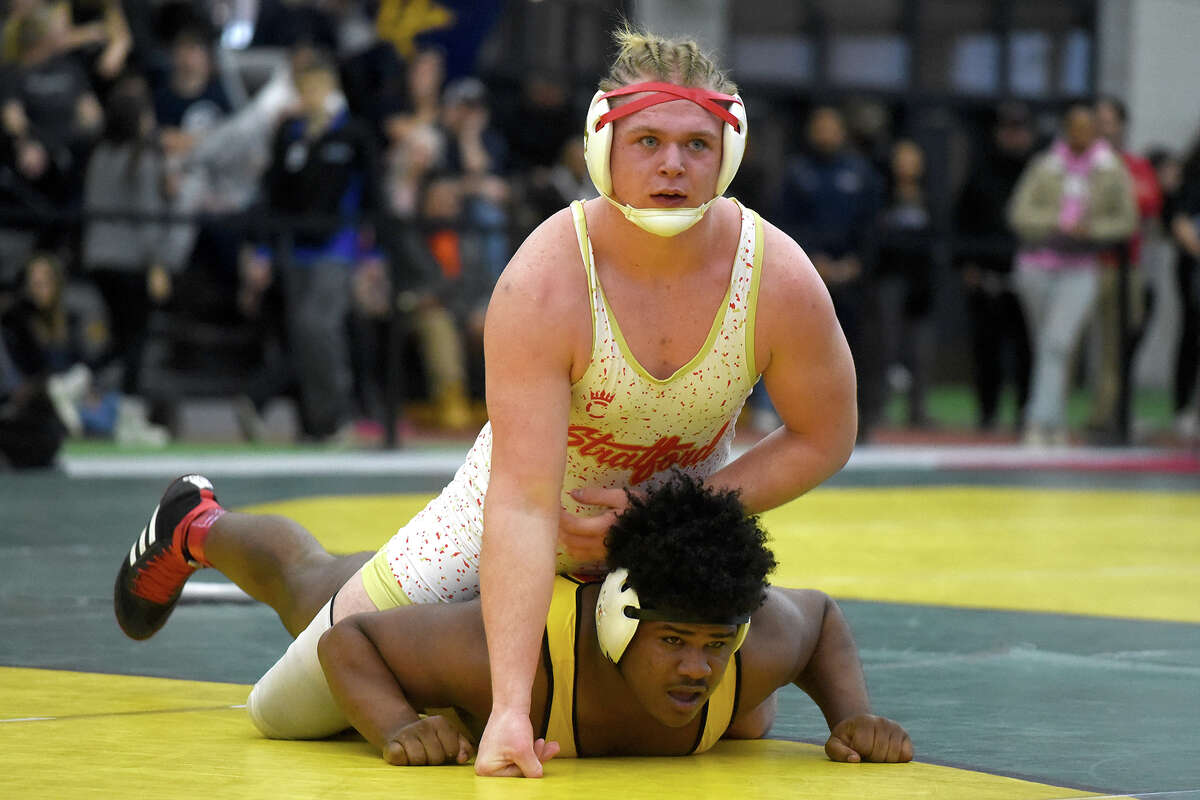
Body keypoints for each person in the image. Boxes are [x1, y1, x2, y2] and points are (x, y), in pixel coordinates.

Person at [113, 27, 857, 779]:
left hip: (663, 526)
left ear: (728, 155)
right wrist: (506, 709)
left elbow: (825, 435)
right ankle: (198, 527)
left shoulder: (775, 278)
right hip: (509, 508)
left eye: (697, 146)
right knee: (292, 704)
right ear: (603, 147)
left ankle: (428, 645)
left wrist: (674, 504)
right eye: (648, 141)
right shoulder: (547, 279)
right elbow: (525, 504)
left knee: (742, 712)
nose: (672, 165)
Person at [319, 474, 912, 768]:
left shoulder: (761, 645)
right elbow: (350, 641)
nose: (696, 668)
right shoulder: (522, 662)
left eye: (717, 643)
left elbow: (822, 617)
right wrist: (397, 725)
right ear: (616, 622)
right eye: (673, 640)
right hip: (494, 581)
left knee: (747, 716)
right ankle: (218, 523)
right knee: (312, 586)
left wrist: (851, 715)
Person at [1008, 105, 1136, 446]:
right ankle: (1056, 421)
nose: (1079, 133)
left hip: (1081, 268)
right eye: (1073, 127)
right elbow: (1019, 213)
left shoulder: (1111, 168)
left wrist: (1091, 229)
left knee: (1057, 343)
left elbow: (1126, 219)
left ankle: (1036, 422)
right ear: (1065, 129)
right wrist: (1054, 223)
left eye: (1086, 127)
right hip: (1037, 264)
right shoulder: (1045, 164)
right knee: (1049, 349)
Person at [774, 105, 883, 440]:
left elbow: (873, 225)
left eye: (830, 126)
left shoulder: (861, 173)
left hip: (852, 280)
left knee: (856, 351)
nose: (825, 133)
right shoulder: (797, 173)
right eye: (818, 126)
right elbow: (782, 224)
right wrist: (809, 260)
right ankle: (806, 426)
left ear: (841, 130)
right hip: (806, 276)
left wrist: (857, 264)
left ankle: (860, 424)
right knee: (802, 355)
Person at [953, 103, 1036, 433]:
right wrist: (966, 265)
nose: (1014, 136)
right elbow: (961, 219)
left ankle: (1024, 414)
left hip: (1029, 275)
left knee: (1026, 351)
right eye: (1008, 129)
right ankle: (987, 414)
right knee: (986, 350)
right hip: (987, 276)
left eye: (1020, 129)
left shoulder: (1039, 171)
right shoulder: (980, 171)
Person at [1085, 96, 1163, 438]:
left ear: (1121, 124)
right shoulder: (1080, 163)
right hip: (1079, 264)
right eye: (1096, 120)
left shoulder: (1135, 165)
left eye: (1108, 120)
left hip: (1122, 266)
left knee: (1116, 347)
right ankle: (1049, 417)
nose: (1102, 127)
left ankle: (1108, 418)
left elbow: (1147, 203)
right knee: (1064, 344)